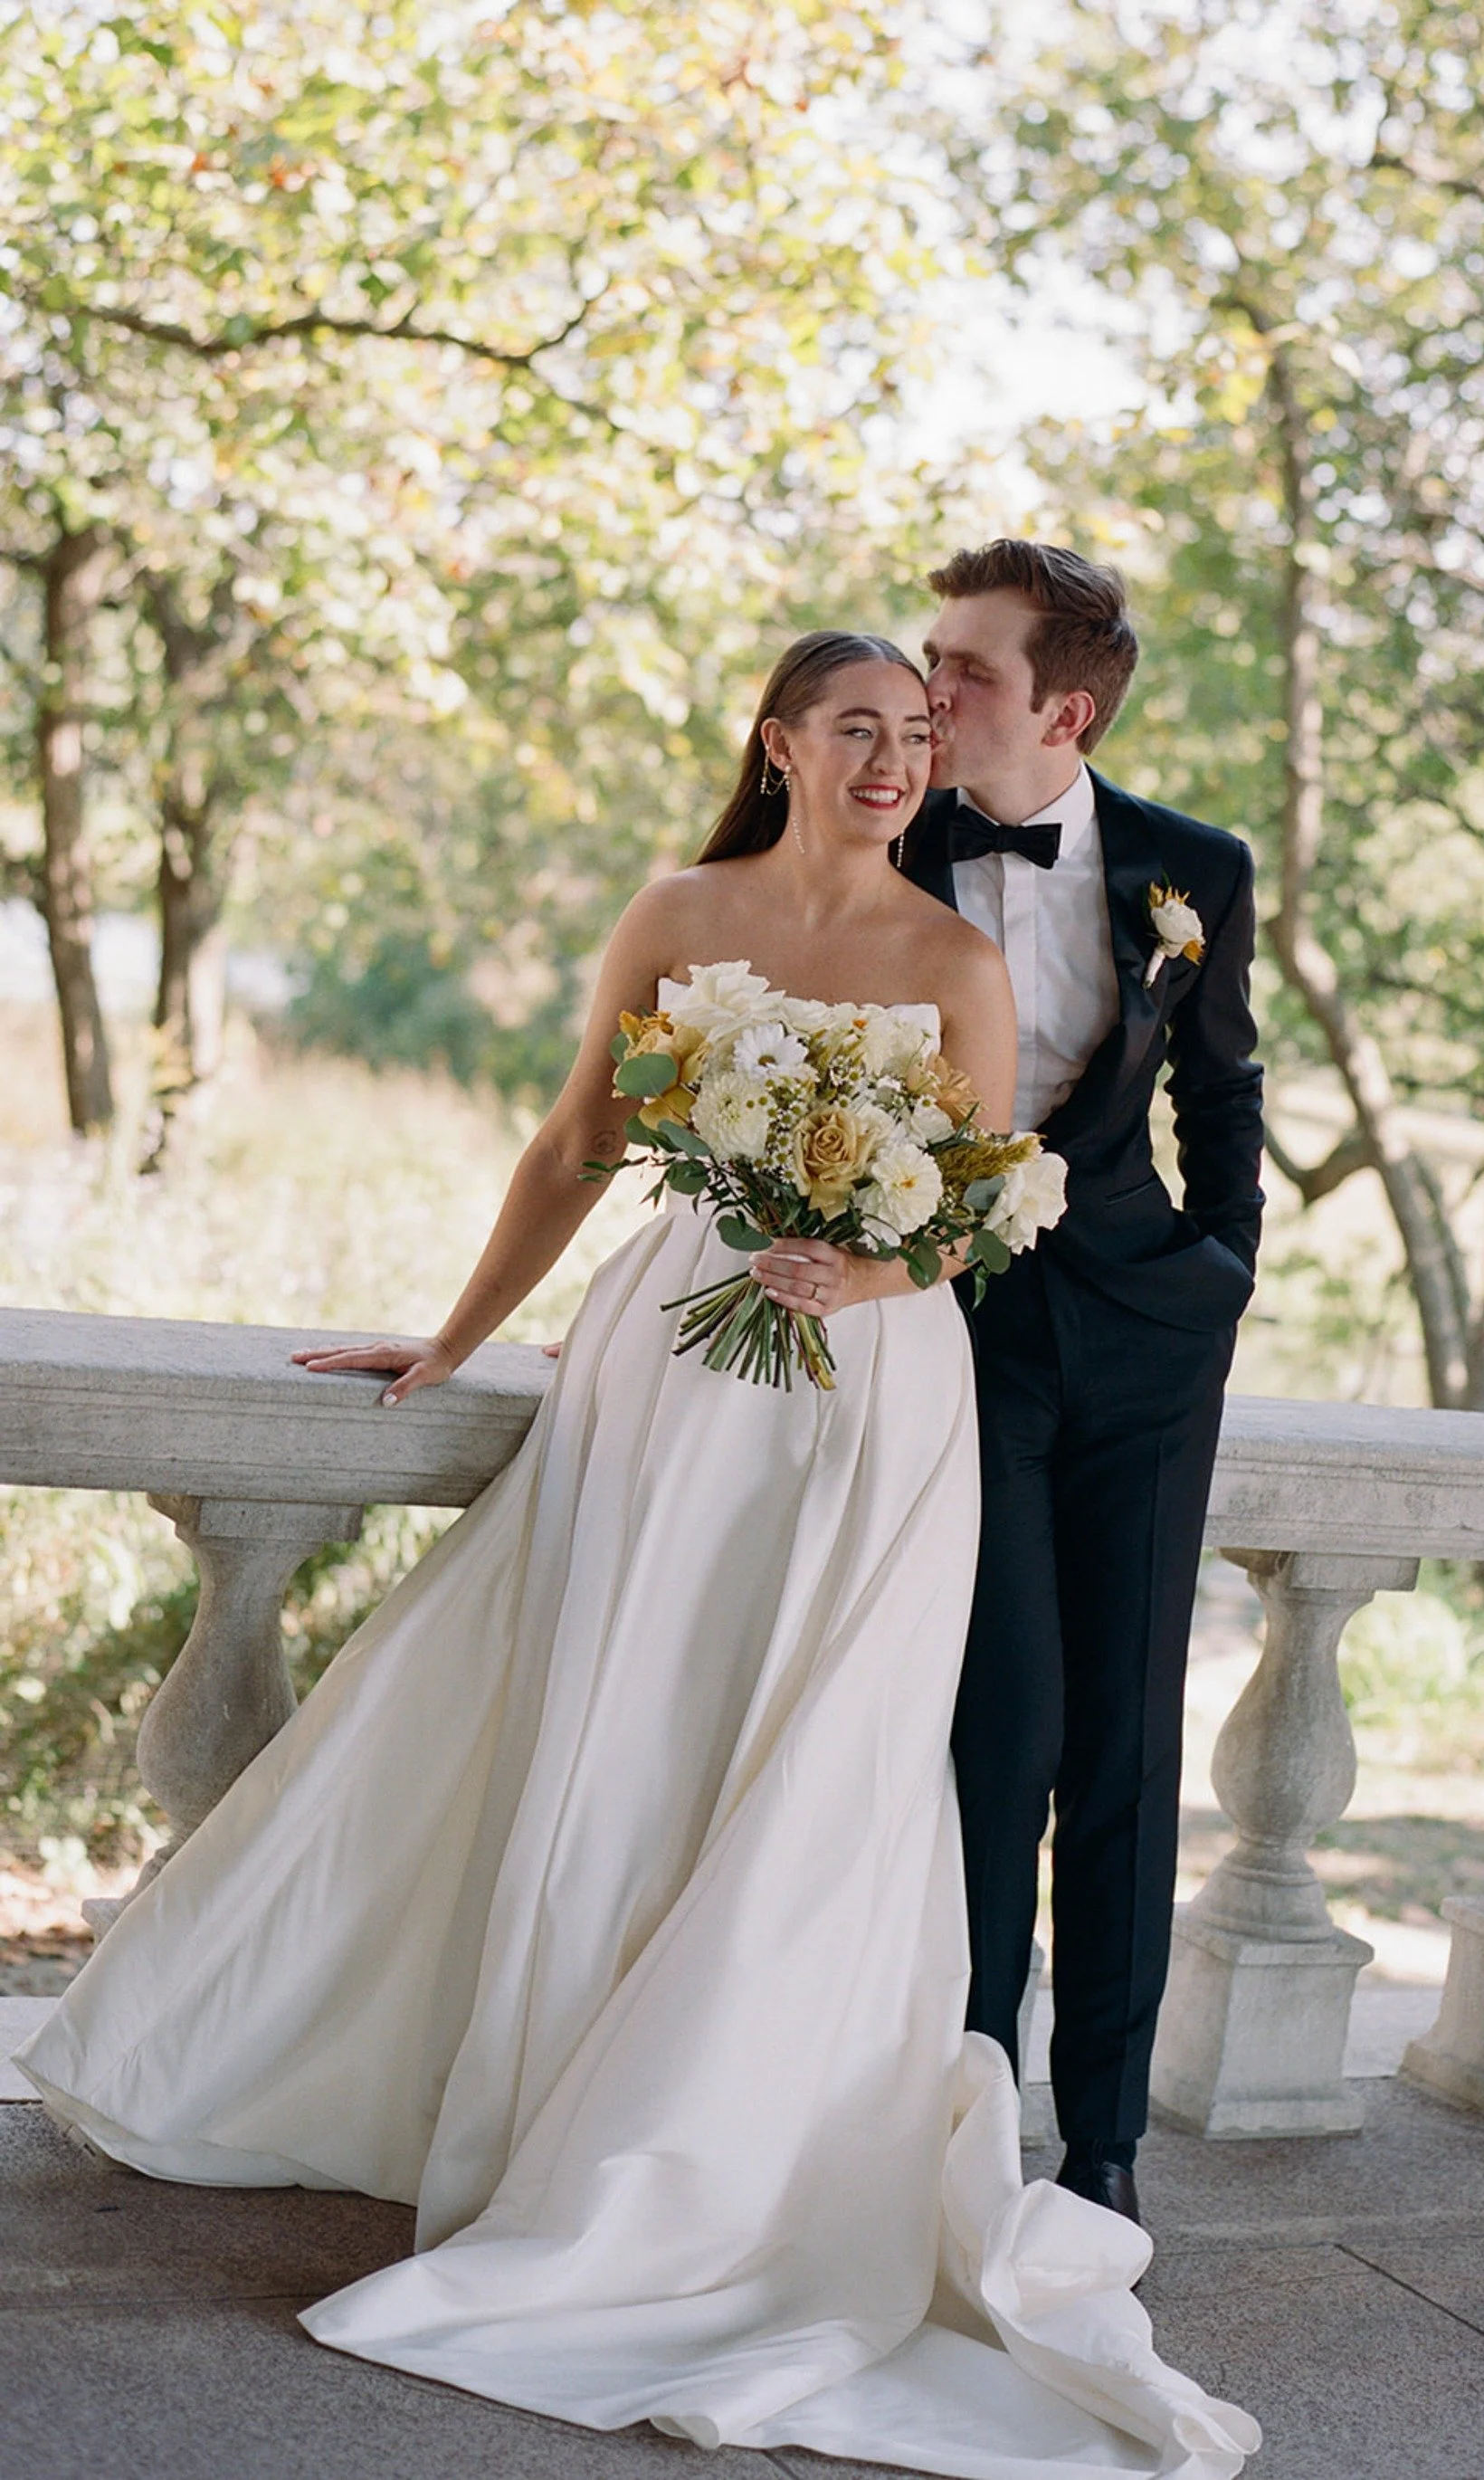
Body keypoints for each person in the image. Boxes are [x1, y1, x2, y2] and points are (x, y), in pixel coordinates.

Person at [18, 631, 1259, 2480]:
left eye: (918, 733)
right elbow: (578, 1138)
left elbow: (991, 1194)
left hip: (869, 1390)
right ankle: (555, 2110)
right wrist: (449, 1338)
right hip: (674, 1357)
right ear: (777, 739)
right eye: (858, 726)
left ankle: (723, 2156)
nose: (893, 758)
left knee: (818, 1754)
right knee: (630, 1715)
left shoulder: (957, 953)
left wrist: (875, 1258)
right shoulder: (677, 904)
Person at [907, 542, 1264, 2227]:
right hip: (943, 1335)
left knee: (1126, 1740)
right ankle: (970, 2100)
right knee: (997, 1729)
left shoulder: (1194, 868)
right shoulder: (871, 839)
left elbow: (1225, 1085)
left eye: (965, 673)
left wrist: (1224, 1279)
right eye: (925, 661)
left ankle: (1106, 2148)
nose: (929, 698)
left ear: (1063, 707)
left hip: (1142, 1339)